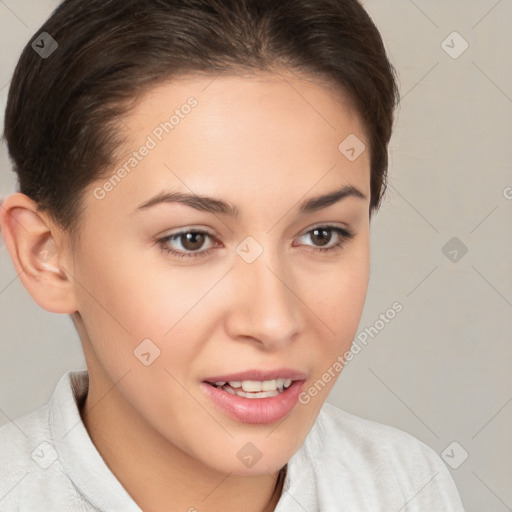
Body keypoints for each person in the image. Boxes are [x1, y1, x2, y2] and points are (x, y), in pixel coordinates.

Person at [0, 0, 466, 510]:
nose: (273, 321)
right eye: (191, 239)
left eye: (321, 235)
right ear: (46, 255)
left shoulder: (405, 486)